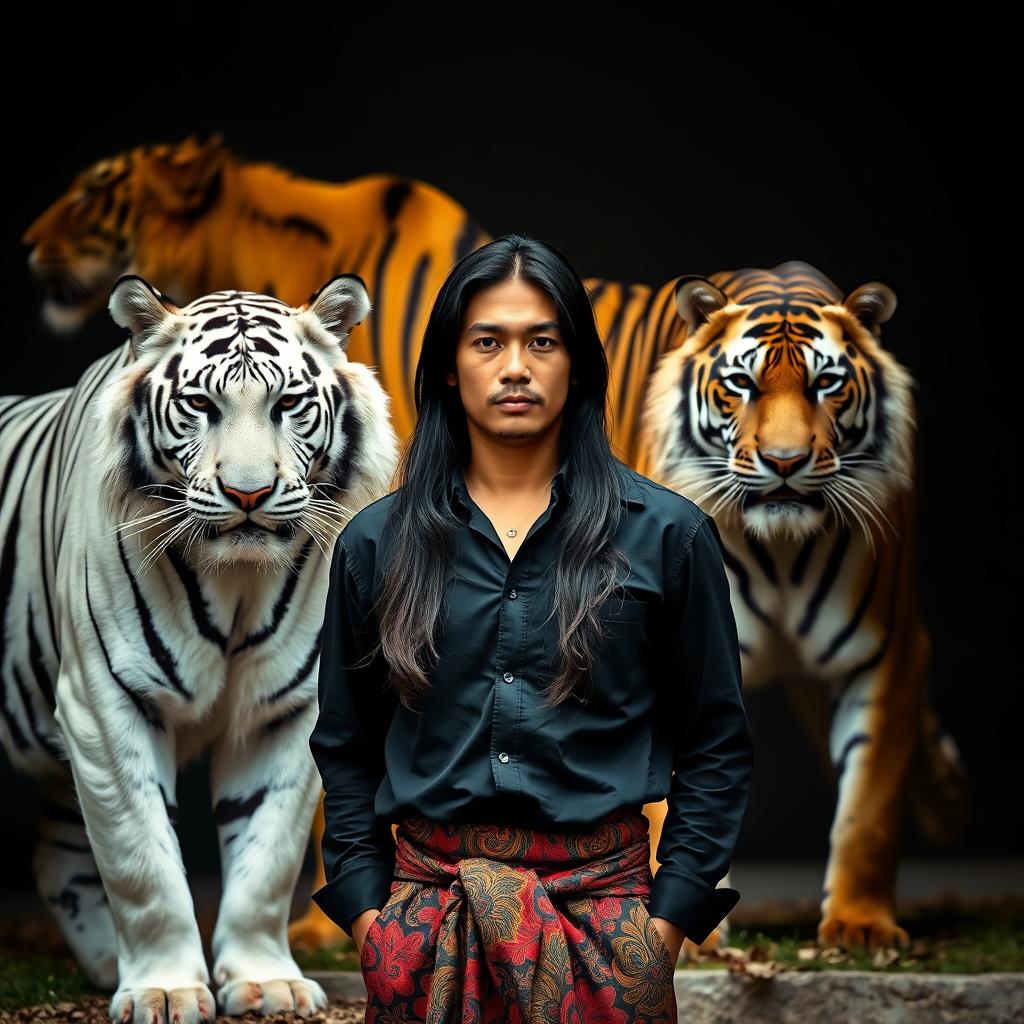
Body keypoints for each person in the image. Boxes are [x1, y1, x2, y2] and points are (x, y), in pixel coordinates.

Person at [308, 233, 754, 1022]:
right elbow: (345, 746)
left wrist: (665, 928)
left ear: (576, 363)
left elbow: (717, 742)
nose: (515, 366)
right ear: (451, 364)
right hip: (426, 923)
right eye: (489, 341)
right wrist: (371, 921)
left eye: (541, 341)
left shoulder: (669, 535)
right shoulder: (374, 545)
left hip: (607, 923)